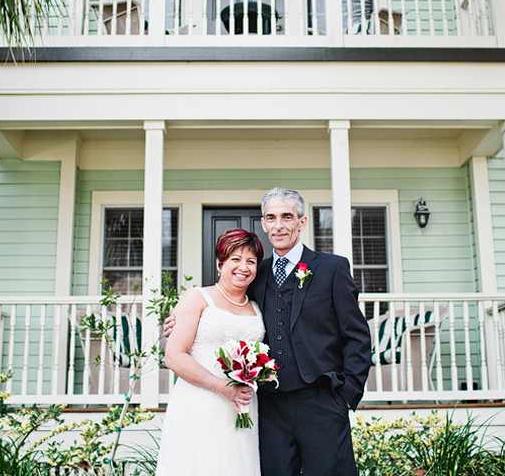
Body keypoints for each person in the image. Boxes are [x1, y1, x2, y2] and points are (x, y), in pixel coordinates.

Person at [164, 187, 372, 476]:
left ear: (301, 222)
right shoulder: (255, 273)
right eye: (271, 217)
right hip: (269, 407)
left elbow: (357, 335)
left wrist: (347, 394)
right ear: (263, 223)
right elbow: (225, 311)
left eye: (287, 216)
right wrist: (177, 322)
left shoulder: (331, 268)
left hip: (321, 401)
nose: (279, 225)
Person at [155, 228, 266, 476]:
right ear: (220, 263)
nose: (243, 267)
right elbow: (174, 356)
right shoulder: (198, 298)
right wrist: (222, 387)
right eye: (235, 259)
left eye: (251, 261)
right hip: (199, 404)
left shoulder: (258, 307)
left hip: (243, 409)